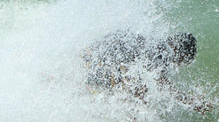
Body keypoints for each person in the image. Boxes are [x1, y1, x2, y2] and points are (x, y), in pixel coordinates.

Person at [83, 31, 211, 117]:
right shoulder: (164, 51)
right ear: (179, 50)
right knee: (140, 90)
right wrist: (190, 102)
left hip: (95, 53)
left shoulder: (155, 44)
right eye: (183, 59)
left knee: (132, 87)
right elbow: (161, 83)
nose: (179, 63)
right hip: (100, 58)